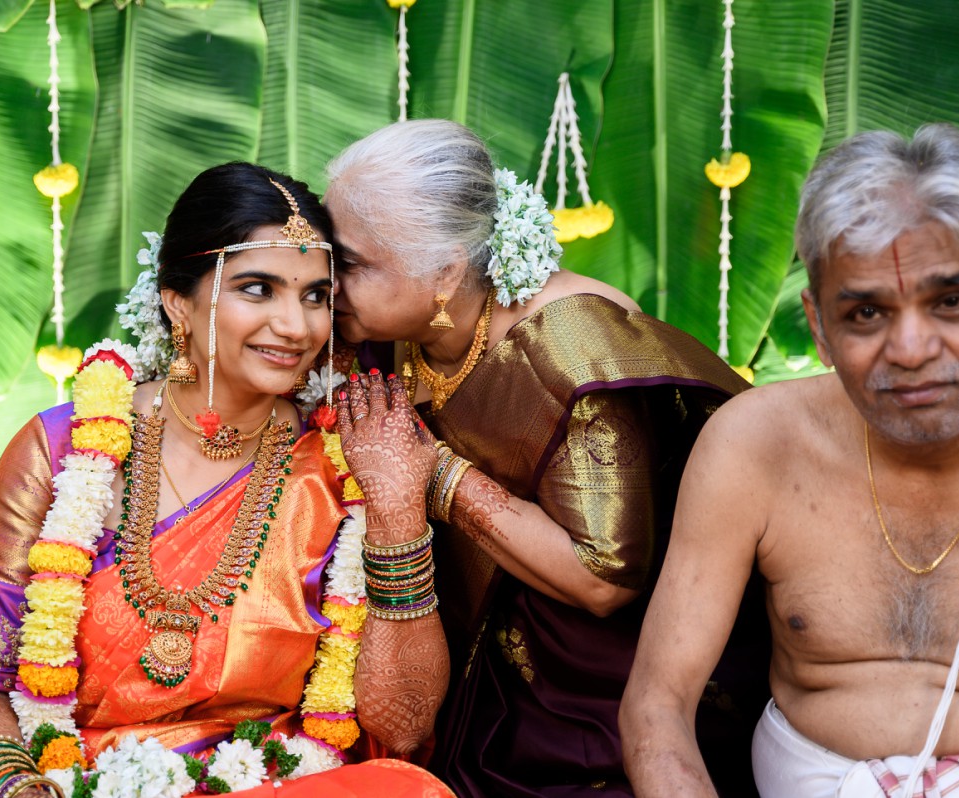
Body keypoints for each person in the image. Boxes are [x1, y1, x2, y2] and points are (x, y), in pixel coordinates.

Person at [0, 163, 452, 798]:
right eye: (258, 288)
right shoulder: (62, 448)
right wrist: (16, 789)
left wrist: (399, 512)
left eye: (316, 295)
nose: (296, 326)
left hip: (280, 782)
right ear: (177, 300)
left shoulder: (341, 467)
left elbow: (401, 730)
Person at [324, 119, 767, 797]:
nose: (329, 282)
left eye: (351, 264)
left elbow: (603, 579)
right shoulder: (390, 331)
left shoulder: (567, 350)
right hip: (459, 655)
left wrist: (434, 471)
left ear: (443, 270)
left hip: (588, 696)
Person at [620, 122, 959, 797]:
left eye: (952, 301)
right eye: (867, 314)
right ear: (818, 327)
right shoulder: (757, 445)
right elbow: (656, 706)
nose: (910, 348)